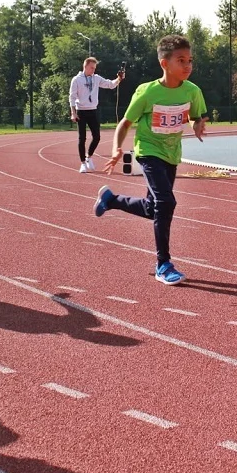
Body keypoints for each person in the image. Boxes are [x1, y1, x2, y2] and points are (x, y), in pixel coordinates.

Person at [93, 34, 206, 285]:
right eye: (181, 60)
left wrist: (197, 124)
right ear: (165, 63)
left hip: (171, 154)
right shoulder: (147, 92)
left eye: (190, 60)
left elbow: (195, 116)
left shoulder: (193, 91)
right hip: (148, 151)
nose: (188, 65)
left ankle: (111, 200)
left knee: (151, 208)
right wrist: (116, 149)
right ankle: (163, 264)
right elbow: (125, 123)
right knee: (166, 202)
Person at [69, 57, 124, 172]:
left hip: (93, 110)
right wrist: (73, 113)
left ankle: (89, 157)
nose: (93, 70)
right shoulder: (77, 80)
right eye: (91, 68)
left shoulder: (96, 78)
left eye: (94, 68)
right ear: (85, 66)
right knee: (82, 138)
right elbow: (72, 97)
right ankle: (83, 163)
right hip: (81, 111)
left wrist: (119, 79)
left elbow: (110, 84)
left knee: (97, 137)